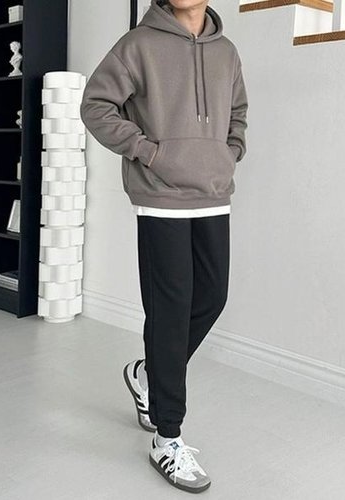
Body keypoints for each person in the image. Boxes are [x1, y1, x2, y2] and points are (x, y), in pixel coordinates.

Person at [80, 0, 248, 493]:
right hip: (160, 196)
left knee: (211, 297)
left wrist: (230, 153)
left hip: (213, 192)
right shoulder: (139, 44)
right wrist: (148, 152)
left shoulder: (227, 52)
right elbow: (96, 104)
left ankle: (149, 373)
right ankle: (167, 437)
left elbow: (238, 111)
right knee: (170, 310)